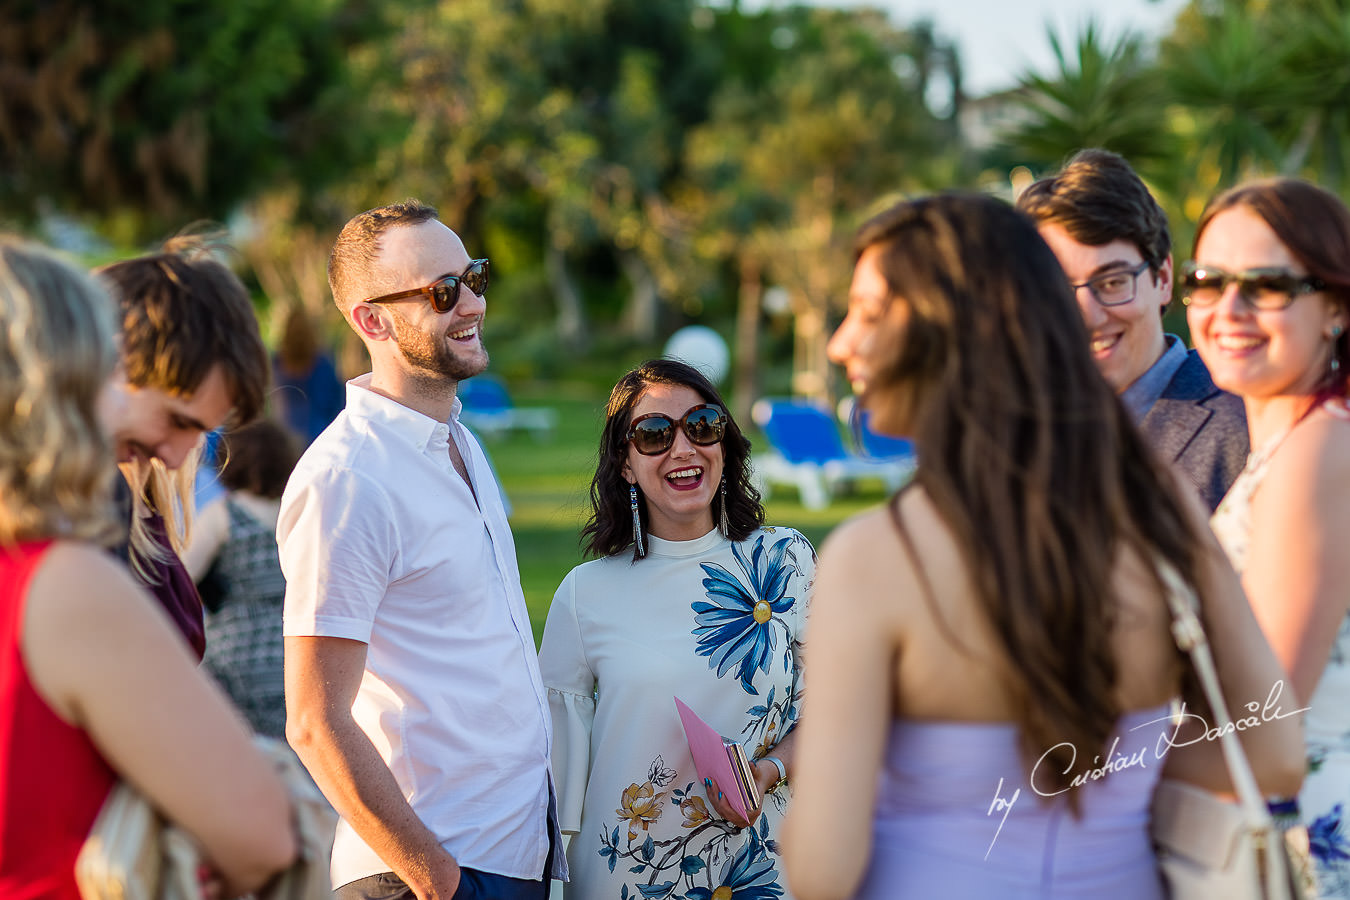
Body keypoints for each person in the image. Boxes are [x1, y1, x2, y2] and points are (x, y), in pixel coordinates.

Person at [780, 194, 1305, 900]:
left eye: (870, 313)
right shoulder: (1156, 506)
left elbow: (822, 871)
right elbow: (1272, 752)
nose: (843, 343)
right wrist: (1120, 781)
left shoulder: (874, 559)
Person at [279, 199, 565, 899]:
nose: (472, 303)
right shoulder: (350, 479)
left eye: (474, 277)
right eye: (443, 291)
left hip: (508, 855)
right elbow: (314, 720)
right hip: (426, 871)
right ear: (371, 320)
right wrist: (436, 879)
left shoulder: (460, 443)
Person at [0, 237, 296, 898]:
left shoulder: (103, 528)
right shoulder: (62, 574)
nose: (179, 451)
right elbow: (262, 839)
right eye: (176, 419)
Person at [539, 358, 816, 900]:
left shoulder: (786, 562)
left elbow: (838, 705)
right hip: (628, 877)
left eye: (702, 425)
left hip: (763, 869)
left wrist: (770, 771)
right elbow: (556, 771)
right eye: (654, 435)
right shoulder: (583, 592)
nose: (683, 449)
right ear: (624, 463)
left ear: (724, 441)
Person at [1186, 177, 1350, 897]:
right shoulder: (1294, 446)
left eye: (1269, 285)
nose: (1229, 309)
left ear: (1336, 308)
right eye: (1208, 281)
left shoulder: (1320, 452)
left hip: (1302, 849)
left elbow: (1266, 722)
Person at [1018, 148, 1248, 511]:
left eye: (1112, 282)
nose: (1088, 316)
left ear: (1163, 279)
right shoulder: (1021, 437)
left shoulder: (1242, 423)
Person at [95, 236, 271, 659]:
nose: (175, 456)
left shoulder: (134, 506)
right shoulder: (51, 518)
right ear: (112, 363)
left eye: (200, 434)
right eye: (176, 421)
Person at [185, 418, 302, 739]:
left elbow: (182, 577)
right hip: (292, 653)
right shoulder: (297, 514)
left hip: (233, 653)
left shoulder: (223, 515)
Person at [273, 302, 346, 446]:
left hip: (285, 433)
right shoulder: (322, 362)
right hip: (319, 433)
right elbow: (334, 401)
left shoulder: (276, 362)